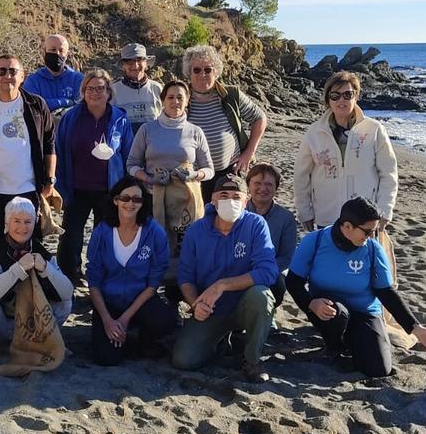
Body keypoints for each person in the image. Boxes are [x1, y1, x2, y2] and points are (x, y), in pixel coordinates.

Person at [286, 197, 426, 378]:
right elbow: (293, 282)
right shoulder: (314, 241)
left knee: (379, 369)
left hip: (363, 312)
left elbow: (386, 292)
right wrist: (311, 303)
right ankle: (333, 348)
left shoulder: (372, 248)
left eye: (374, 231)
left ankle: (351, 340)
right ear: (347, 226)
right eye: (367, 231)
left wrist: (416, 328)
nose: (371, 236)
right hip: (328, 311)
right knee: (337, 313)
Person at [172, 174, 279, 382]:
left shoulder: (256, 224)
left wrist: (222, 285)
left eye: (236, 197)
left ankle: (252, 360)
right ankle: (221, 343)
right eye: (224, 195)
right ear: (213, 199)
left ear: (246, 201)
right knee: (183, 360)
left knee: (262, 295)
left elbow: (268, 271)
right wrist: (195, 303)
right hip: (211, 309)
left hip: (244, 304)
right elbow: (185, 276)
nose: (230, 201)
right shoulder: (196, 230)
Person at [0, 197, 74, 360]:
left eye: (28, 222)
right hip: (2, 324)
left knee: (65, 303)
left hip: (33, 324)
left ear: (34, 223)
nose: (22, 227)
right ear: (7, 223)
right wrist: (18, 269)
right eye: (17, 221)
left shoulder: (41, 252)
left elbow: (68, 292)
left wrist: (46, 269)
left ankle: (48, 339)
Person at [0, 54, 56, 249]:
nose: (7, 76)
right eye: (2, 71)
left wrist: (50, 180)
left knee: (31, 249)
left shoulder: (36, 106)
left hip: (29, 191)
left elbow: (49, 144)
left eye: (13, 71)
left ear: (22, 76)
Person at [85, 177, 178, 365]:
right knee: (106, 359)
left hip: (140, 300)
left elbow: (154, 283)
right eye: (125, 198)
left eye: (137, 199)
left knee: (165, 320)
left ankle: (140, 337)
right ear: (115, 200)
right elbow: (93, 280)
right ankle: (123, 337)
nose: (130, 203)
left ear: (143, 203)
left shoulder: (154, 232)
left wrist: (125, 319)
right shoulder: (101, 232)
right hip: (109, 303)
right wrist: (107, 320)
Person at [53, 69, 134, 283]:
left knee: (104, 236)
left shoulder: (119, 119)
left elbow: (129, 154)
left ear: (109, 92)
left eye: (100, 88)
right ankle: (69, 275)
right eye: (90, 89)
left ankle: (100, 276)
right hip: (76, 187)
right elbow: (59, 150)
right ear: (83, 91)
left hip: (109, 189)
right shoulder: (71, 117)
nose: (95, 93)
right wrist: (59, 185)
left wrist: (126, 188)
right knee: (70, 235)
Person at [293, 71, 398, 232]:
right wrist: (304, 212)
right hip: (327, 218)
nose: (341, 100)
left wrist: (385, 210)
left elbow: (388, 173)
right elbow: (301, 176)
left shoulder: (374, 130)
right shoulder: (314, 133)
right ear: (328, 99)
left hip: (365, 219)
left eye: (347, 95)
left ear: (356, 96)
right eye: (335, 95)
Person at [126, 79, 213, 272]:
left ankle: (181, 284)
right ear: (162, 100)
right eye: (171, 97)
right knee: (155, 246)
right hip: (152, 199)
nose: (175, 102)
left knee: (185, 249)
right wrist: (149, 178)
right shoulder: (147, 130)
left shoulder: (195, 132)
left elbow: (209, 170)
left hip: (186, 202)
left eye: (180, 97)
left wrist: (193, 174)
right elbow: (131, 164)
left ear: (187, 101)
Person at [182, 45, 268, 198]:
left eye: (208, 69)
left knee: (229, 212)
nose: (203, 74)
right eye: (197, 70)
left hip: (229, 173)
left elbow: (259, 118)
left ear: (216, 72)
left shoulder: (231, 95)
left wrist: (249, 152)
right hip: (195, 177)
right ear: (189, 73)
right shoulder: (181, 99)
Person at [245, 163, 298, 309]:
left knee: (277, 287)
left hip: (271, 269)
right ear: (248, 185)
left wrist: (261, 272)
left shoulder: (286, 218)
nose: (263, 188)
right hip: (239, 268)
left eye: (269, 184)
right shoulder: (238, 213)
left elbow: (286, 257)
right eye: (257, 183)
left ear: (276, 187)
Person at [22, 33, 83, 113]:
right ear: (44, 52)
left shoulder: (78, 79)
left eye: (61, 50)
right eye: (53, 50)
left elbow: (81, 107)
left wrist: (47, 104)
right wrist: (66, 102)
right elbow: (33, 108)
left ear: (67, 55)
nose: (57, 53)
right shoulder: (33, 81)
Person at [111, 43, 163, 134]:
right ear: (123, 66)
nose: (135, 65)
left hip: (152, 142)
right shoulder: (113, 90)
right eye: (130, 62)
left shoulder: (157, 88)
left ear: (146, 63)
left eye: (139, 60)